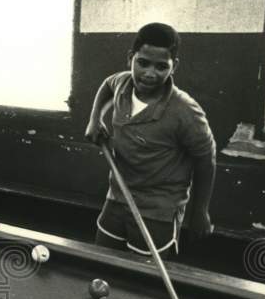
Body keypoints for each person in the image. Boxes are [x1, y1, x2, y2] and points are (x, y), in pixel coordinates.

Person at [84, 22, 216, 257]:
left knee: (143, 280)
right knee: (100, 261)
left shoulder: (185, 110)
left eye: (161, 66)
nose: (150, 73)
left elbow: (206, 159)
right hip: (117, 195)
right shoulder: (123, 82)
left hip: (159, 208)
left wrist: (200, 211)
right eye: (142, 63)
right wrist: (95, 119)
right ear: (130, 58)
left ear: (173, 66)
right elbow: (107, 85)